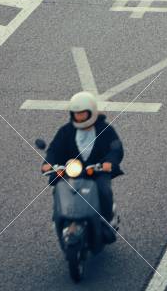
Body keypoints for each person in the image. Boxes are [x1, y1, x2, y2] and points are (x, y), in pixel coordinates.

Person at [41, 91, 123, 241]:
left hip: (96, 170)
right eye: (76, 114)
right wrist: (48, 163)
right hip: (71, 170)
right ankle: (59, 216)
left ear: (91, 112)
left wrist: (108, 163)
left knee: (103, 189)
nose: (79, 117)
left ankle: (108, 219)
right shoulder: (65, 131)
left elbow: (115, 149)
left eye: (83, 114)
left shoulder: (105, 129)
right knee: (58, 188)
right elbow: (54, 149)